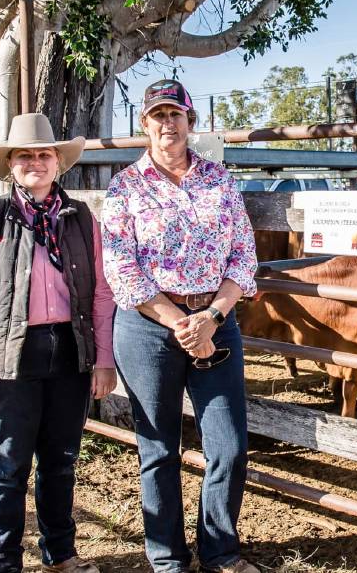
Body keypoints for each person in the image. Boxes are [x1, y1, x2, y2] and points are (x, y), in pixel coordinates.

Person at [0, 113, 118, 573]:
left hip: (69, 348)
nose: (35, 161)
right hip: (8, 354)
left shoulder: (81, 219)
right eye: (25, 155)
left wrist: (103, 359)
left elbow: (102, 291)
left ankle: (60, 553)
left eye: (44, 154)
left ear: (58, 162)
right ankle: (4, 561)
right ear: (11, 165)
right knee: (8, 462)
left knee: (60, 459)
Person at [100, 79, 259, 573]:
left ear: (191, 122)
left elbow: (244, 256)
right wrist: (180, 322)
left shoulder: (219, 180)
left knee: (229, 446)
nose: (168, 123)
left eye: (176, 114)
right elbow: (121, 266)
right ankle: (167, 558)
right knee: (158, 448)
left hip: (215, 323)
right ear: (145, 123)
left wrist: (211, 316)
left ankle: (219, 552)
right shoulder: (125, 186)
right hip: (149, 327)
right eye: (158, 115)